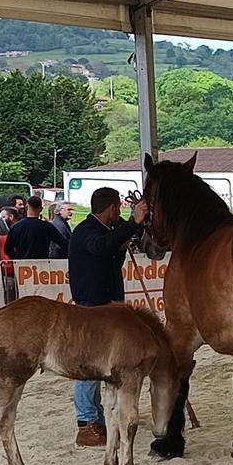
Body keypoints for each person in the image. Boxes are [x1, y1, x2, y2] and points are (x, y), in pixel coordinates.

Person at [67, 187, 148, 447]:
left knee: (98, 365)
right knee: (89, 367)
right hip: (91, 308)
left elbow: (108, 256)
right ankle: (86, 424)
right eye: (118, 210)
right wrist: (133, 223)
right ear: (111, 208)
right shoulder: (86, 231)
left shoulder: (99, 231)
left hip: (103, 307)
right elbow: (100, 248)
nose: (119, 214)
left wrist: (124, 240)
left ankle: (95, 420)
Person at [6, 195, 68, 260]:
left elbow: (8, 248)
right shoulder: (47, 227)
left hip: (21, 265)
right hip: (42, 265)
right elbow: (63, 243)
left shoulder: (15, 227)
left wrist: (16, 258)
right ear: (41, 209)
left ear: (27, 207)